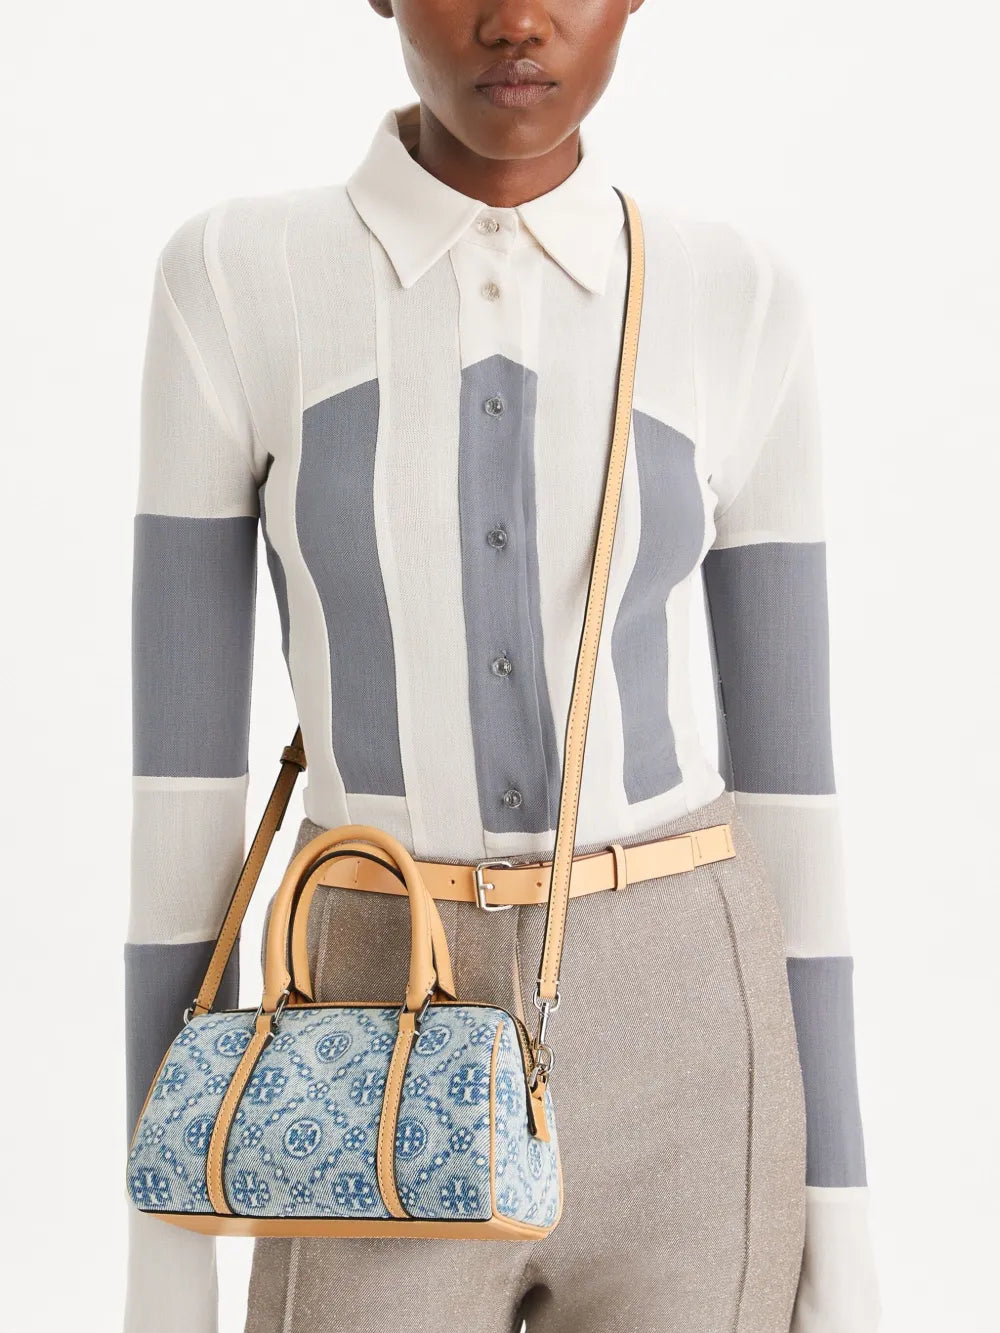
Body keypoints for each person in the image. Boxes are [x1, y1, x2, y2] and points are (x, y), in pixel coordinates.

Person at [124, 2, 880, 1330]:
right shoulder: (242, 278)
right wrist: (165, 1243)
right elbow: (181, 794)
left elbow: (793, 793)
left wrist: (847, 1230)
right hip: (365, 1015)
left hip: (691, 1033)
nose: (517, 18)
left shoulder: (734, 294)